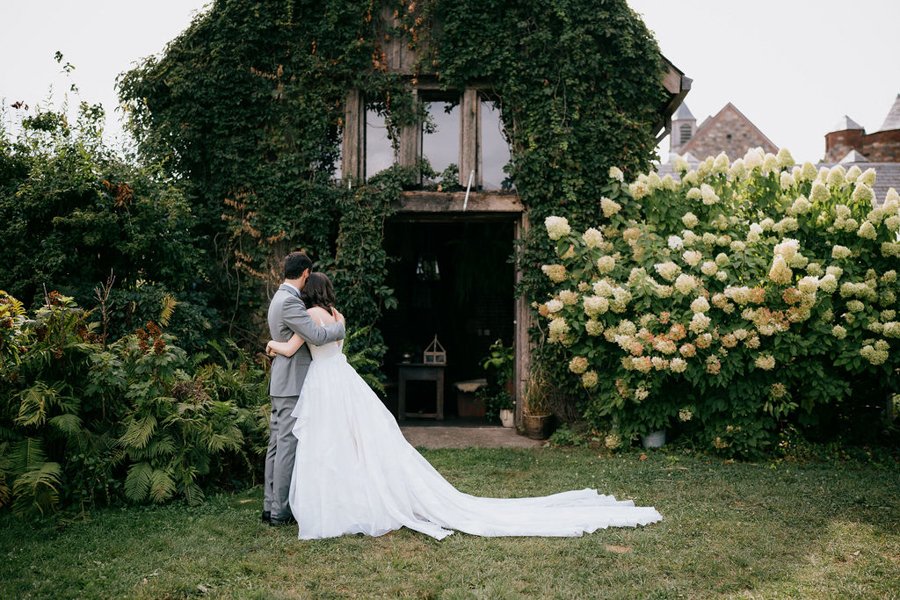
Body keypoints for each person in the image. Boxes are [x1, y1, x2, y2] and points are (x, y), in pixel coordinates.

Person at [266, 272, 662, 540]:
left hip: (323, 383)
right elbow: (333, 338)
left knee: (328, 445)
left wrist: (271, 345)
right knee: (353, 441)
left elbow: (290, 346)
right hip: (343, 380)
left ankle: (334, 503)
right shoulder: (337, 314)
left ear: (308, 292)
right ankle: (355, 499)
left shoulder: (308, 315)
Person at [264, 253, 345, 526]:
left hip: (283, 382)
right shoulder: (291, 302)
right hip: (292, 384)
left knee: (276, 444)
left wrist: (273, 346)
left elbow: (284, 341)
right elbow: (318, 335)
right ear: (305, 273)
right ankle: (281, 511)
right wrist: (340, 328)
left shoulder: (279, 298)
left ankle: (270, 505)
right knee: (285, 445)